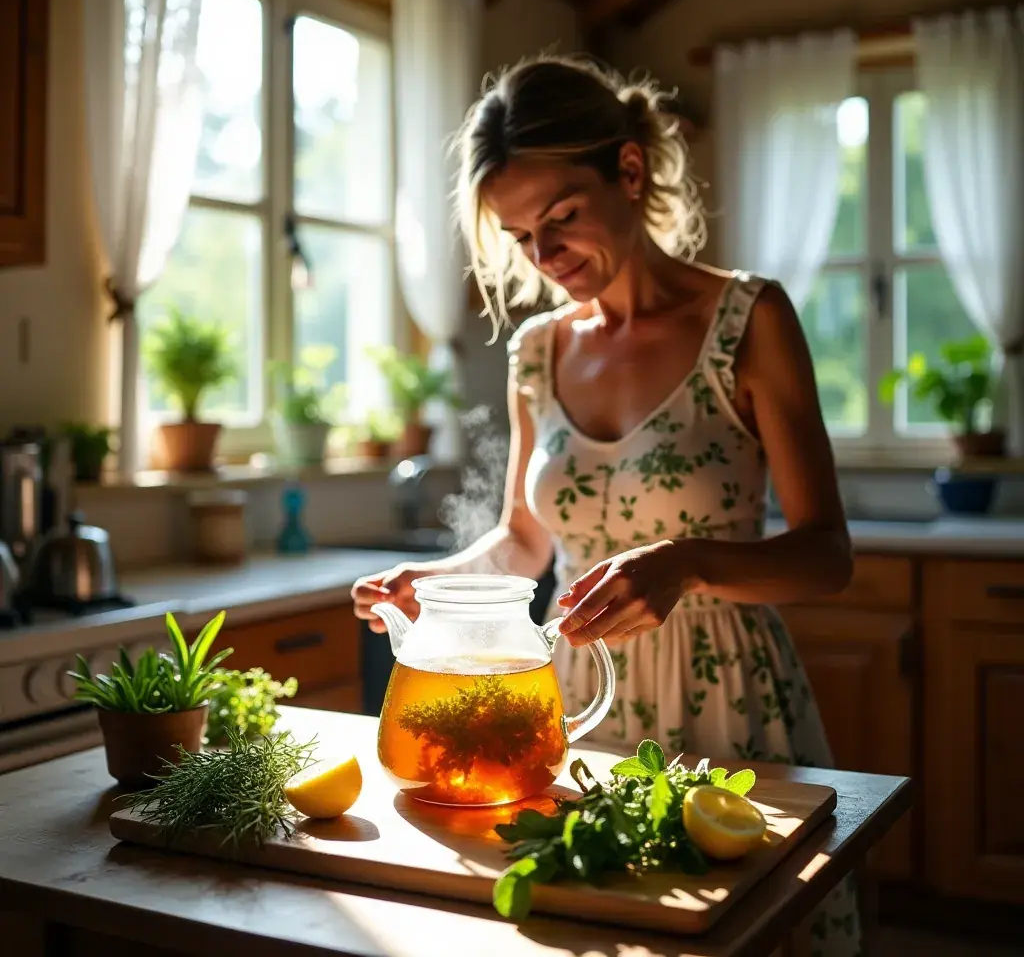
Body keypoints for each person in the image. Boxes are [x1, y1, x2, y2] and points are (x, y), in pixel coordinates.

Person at [353, 56, 861, 955]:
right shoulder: (538, 352)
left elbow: (827, 554)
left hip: (728, 698)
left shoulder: (749, 320)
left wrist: (690, 561)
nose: (544, 259)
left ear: (629, 172)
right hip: (572, 701)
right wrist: (424, 583)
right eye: (519, 238)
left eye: (561, 220)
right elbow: (523, 541)